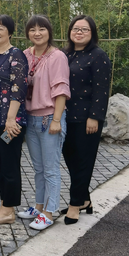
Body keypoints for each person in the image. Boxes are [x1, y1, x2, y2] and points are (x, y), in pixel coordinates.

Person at [20, 15, 70, 230]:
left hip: (49, 118)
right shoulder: (25, 55)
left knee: (50, 169)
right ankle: (39, 206)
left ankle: (50, 212)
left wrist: (56, 120)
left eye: (42, 29)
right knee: (38, 168)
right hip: (30, 118)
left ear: (49, 31)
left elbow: (61, 89)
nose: (37, 33)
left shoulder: (57, 56)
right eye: (32, 29)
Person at [62, 15, 112, 225]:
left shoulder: (98, 56)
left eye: (84, 29)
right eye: (76, 28)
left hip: (86, 118)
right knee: (71, 160)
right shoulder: (66, 54)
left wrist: (95, 117)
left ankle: (75, 205)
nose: (79, 32)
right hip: (65, 116)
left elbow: (102, 89)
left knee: (83, 161)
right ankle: (84, 199)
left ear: (92, 33)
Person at [0, 15, 28, 225]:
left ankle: (9, 210)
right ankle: (3, 205)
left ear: (10, 32)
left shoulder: (15, 54)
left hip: (11, 122)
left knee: (9, 164)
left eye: (0, 28)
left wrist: (11, 119)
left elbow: (18, 88)